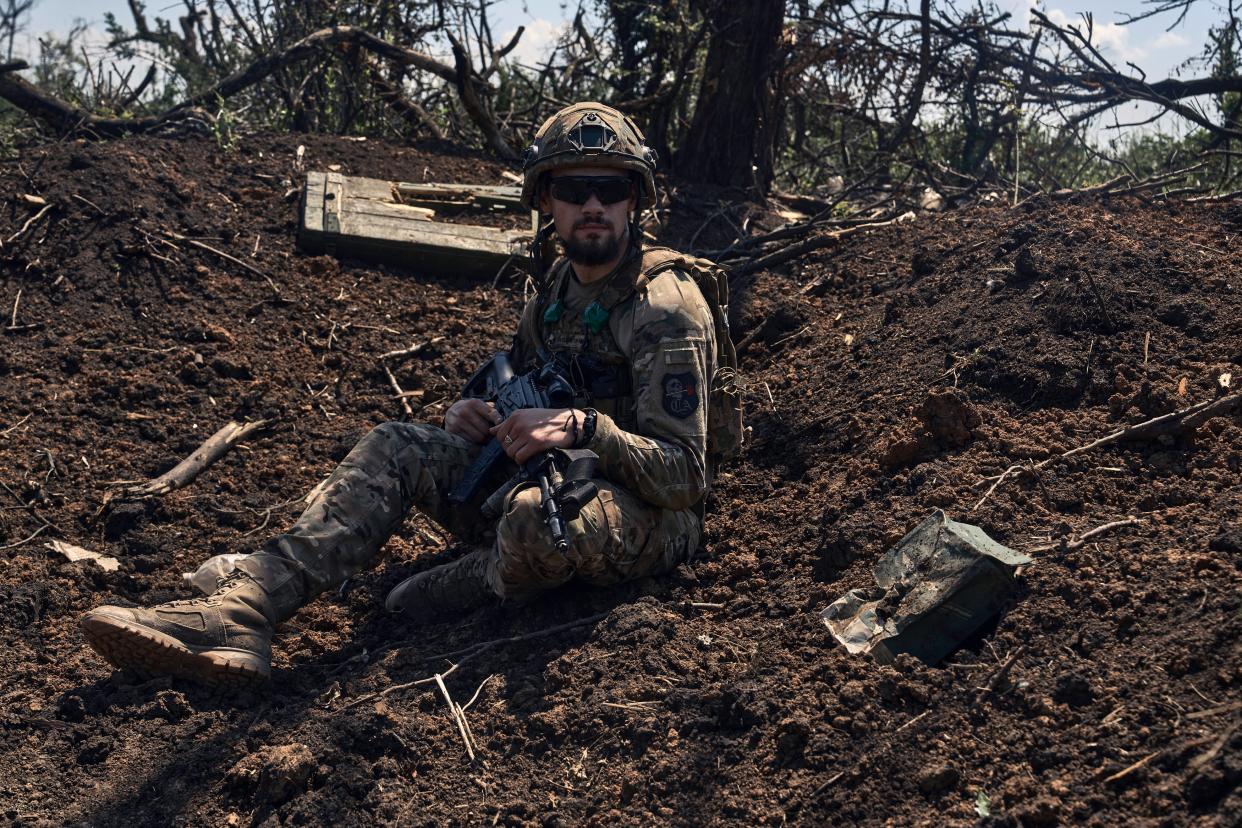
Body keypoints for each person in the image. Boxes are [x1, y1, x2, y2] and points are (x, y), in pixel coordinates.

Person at [80, 102, 739, 689]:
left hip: (647, 514)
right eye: (574, 189)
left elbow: (685, 477)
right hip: (555, 481)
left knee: (537, 522)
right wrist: (474, 415)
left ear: (634, 199)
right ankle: (243, 605)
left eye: (610, 188)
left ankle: (479, 576)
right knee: (397, 445)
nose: (592, 205)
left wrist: (583, 427)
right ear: (546, 201)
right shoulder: (558, 288)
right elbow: (523, 381)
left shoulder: (666, 308)